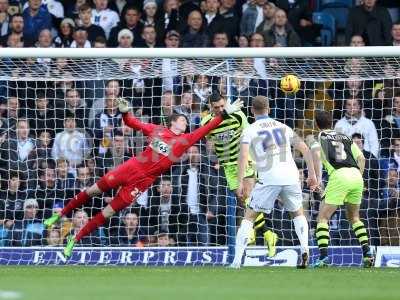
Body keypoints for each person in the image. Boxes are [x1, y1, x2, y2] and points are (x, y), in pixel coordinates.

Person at [44, 97, 243, 258]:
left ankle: (74, 240)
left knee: (107, 213)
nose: (186, 123)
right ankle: (60, 214)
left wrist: (225, 113)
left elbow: (207, 127)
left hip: (143, 182)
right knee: (92, 190)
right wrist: (124, 112)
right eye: (183, 119)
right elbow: (132, 122)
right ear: (173, 121)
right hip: (129, 168)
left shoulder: (185, 140)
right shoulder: (157, 130)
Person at [230, 96, 317, 269]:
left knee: (249, 217)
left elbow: (244, 156)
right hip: (291, 175)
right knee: (298, 213)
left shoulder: (250, 130)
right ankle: (305, 249)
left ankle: (236, 261)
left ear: (252, 111)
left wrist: (240, 182)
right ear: (269, 109)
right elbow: (305, 149)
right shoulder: (283, 126)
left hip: (269, 177)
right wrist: (312, 175)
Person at [201, 93, 278, 257]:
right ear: (210, 107)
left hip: (245, 159)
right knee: (243, 199)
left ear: (226, 103)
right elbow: (210, 140)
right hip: (228, 165)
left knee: (248, 194)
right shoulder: (206, 122)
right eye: (216, 107)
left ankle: (252, 230)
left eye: (222, 106)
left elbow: (250, 135)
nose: (220, 109)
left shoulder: (238, 114)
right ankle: (268, 234)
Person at [310, 110, 374, 268]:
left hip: (339, 176)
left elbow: (316, 156)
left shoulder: (318, 137)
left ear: (316, 124)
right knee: (354, 218)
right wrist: (358, 176)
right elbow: (362, 158)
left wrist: (318, 180)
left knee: (323, 218)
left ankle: (323, 258)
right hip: (356, 176)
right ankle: (367, 254)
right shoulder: (345, 136)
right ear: (331, 122)